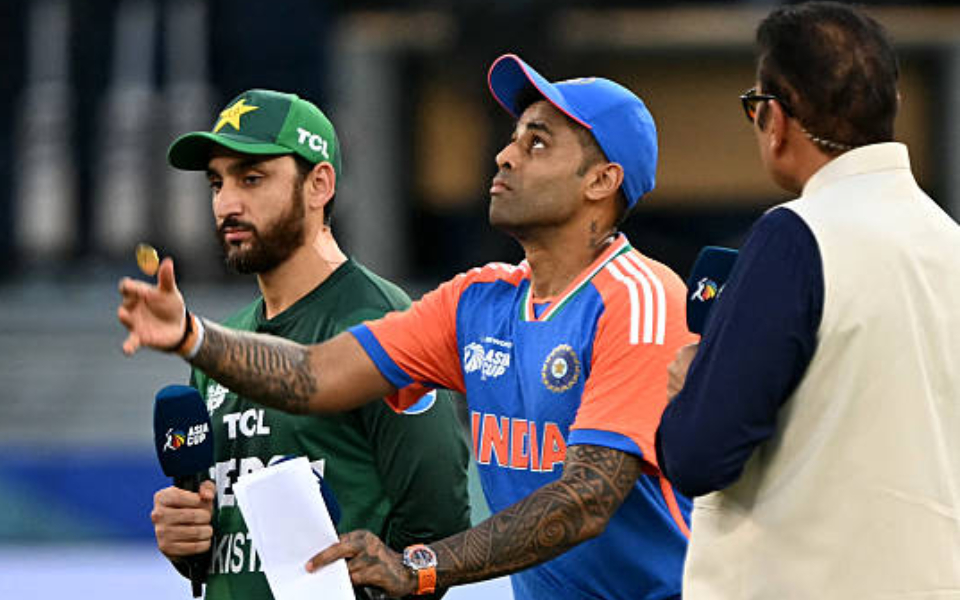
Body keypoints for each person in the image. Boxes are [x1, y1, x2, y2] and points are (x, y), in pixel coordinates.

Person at [120, 55, 694, 600]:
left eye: (536, 142)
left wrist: (418, 566)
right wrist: (193, 335)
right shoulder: (478, 299)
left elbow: (586, 499)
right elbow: (316, 374)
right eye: (514, 136)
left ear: (601, 180)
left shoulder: (640, 298)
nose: (504, 155)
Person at [656, 2, 960, 598]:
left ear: (775, 116)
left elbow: (699, 456)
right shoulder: (949, 241)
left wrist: (692, 390)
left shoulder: (795, 235)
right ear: (891, 105)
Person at [147, 89, 472, 600]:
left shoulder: (382, 324)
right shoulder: (221, 345)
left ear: (318, 184)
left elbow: (439, 524)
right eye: (217, 183)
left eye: (252, 178)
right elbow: (232, 544)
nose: (227, 203)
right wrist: (187, 540)